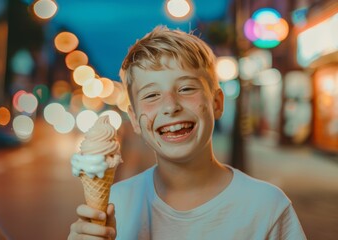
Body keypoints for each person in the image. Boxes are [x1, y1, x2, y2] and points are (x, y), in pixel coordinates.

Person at [68, 26, 306, 240]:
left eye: (186, 88)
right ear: (135, 120)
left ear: (217, 103)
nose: (171, 106)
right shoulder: (115, 202)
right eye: (151, 95)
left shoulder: (268, 208)